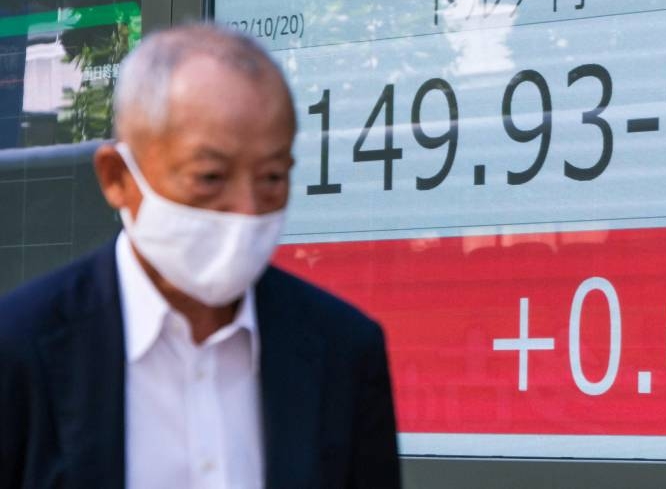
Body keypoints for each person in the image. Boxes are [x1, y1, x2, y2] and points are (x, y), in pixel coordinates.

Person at [0, 24, 401, 488]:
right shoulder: (20, 349)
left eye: (272, 177)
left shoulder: (345, 352)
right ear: (117, 178)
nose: (246, 210)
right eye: (210, 177)